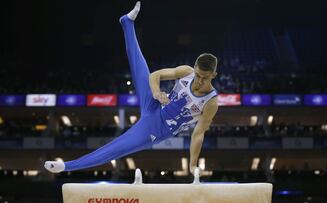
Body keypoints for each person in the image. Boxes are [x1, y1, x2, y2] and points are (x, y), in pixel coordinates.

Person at [44, 1, 218, 175]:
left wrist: (192, 165)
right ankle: (127, 22)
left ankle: (67, 166)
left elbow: (198, 133)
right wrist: (157, 93)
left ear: (213, 75)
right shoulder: (186, 72)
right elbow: (155, 76)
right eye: (197, 75)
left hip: (157, 128)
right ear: (194, 68)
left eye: (205, 77)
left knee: (118, 147)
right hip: (155, 104)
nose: (199, 80)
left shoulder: (210, 102)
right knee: (141, 70)